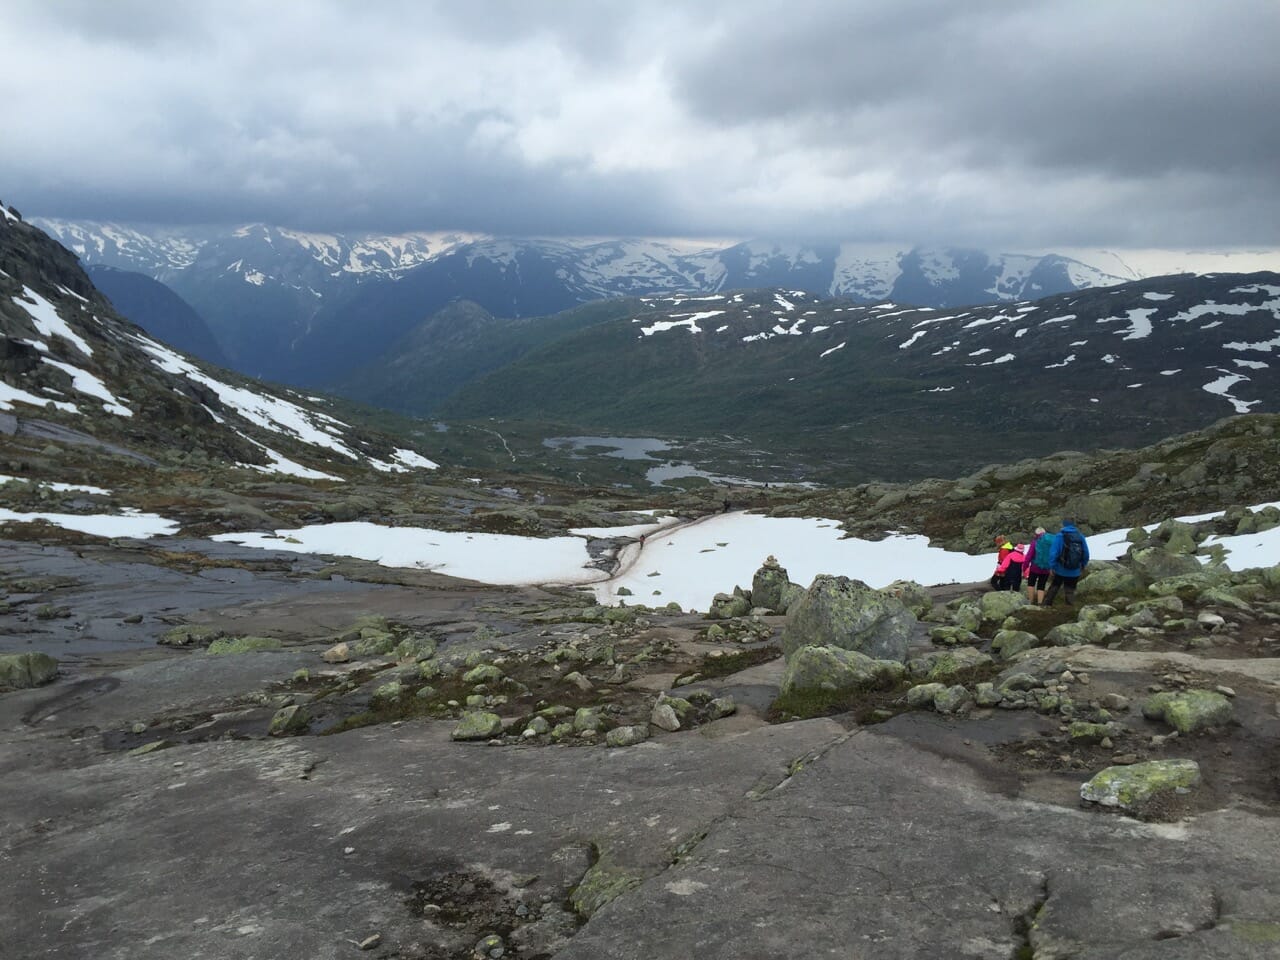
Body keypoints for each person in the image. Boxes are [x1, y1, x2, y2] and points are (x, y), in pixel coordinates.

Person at [1042, 518, 1090, 606]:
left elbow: (1054, 553)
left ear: (1063, 525)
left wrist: (1052, 566)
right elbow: (1086, 552)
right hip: (1075, 570)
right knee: (1070, 590)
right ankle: (1069, 609)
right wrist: (1083, 564)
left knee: (1054, 587)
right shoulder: (1080, 536)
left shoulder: (1060, 536)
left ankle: (1046, 606)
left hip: (1060, 569)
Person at [1024, 526, 1054, 605]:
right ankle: (1040, 603)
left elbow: (1028, 556)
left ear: (1036, 534)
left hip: (1034, 568)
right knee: (1041, 586)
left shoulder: (1035, 543)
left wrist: (1024, 568)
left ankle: (1031, 601)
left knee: (1031, 583)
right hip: (1046, 569)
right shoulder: (1050, 543)